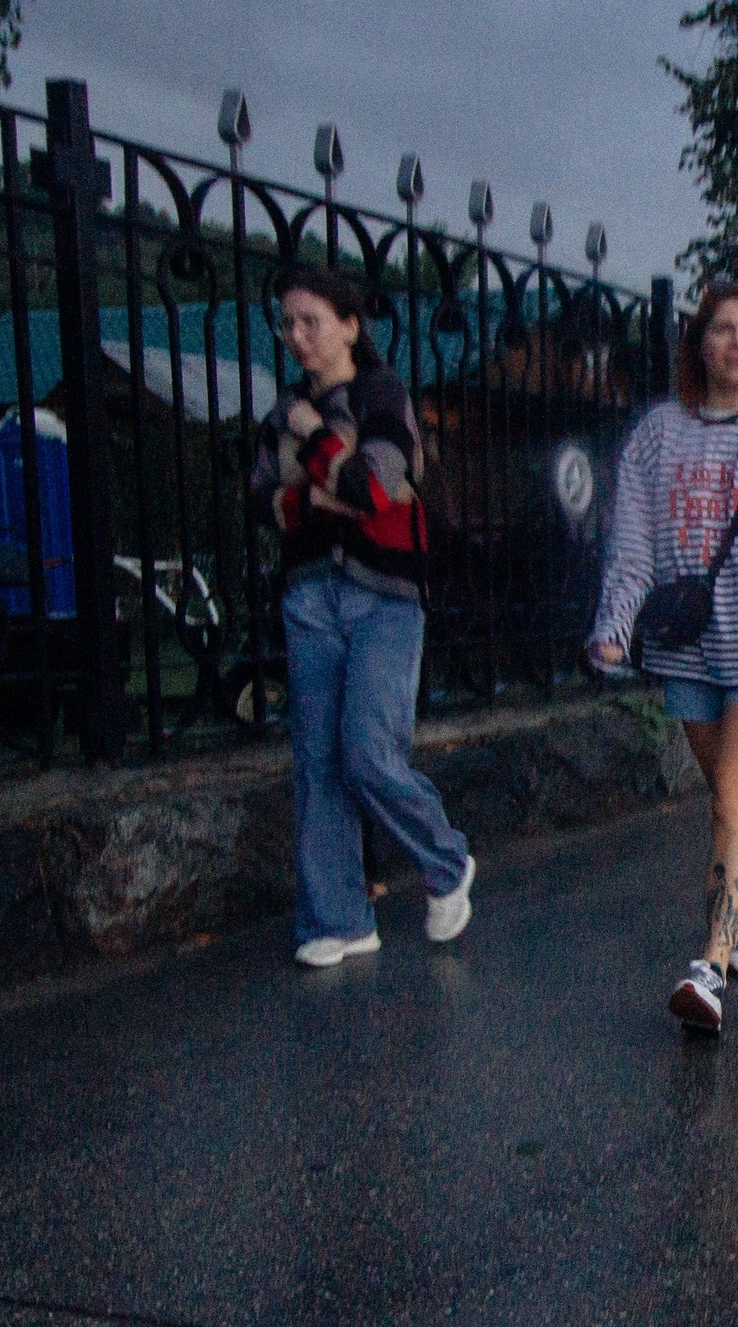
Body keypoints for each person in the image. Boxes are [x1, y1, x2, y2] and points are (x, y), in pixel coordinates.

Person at [587, 281, 738, 1036]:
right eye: (721, 330)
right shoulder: (659, 433)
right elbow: (632, 545)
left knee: (731, 795)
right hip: (688, 649)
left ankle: (711, 966)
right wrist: (615, 625)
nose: (735, 343)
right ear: (698, 344)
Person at [251, 266, 475, 970]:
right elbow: (260, 497)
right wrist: (320, 494)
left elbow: (373, 486)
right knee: (317, 763)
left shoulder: (381, 393)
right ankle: (338, 917)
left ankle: (446, 860)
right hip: (310, 592)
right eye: (287, 323)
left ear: (350, 325)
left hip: (385, 593)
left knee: (368, 753)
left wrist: (314, 438)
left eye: (310, 320)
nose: (296, 336)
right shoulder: (279, 409)